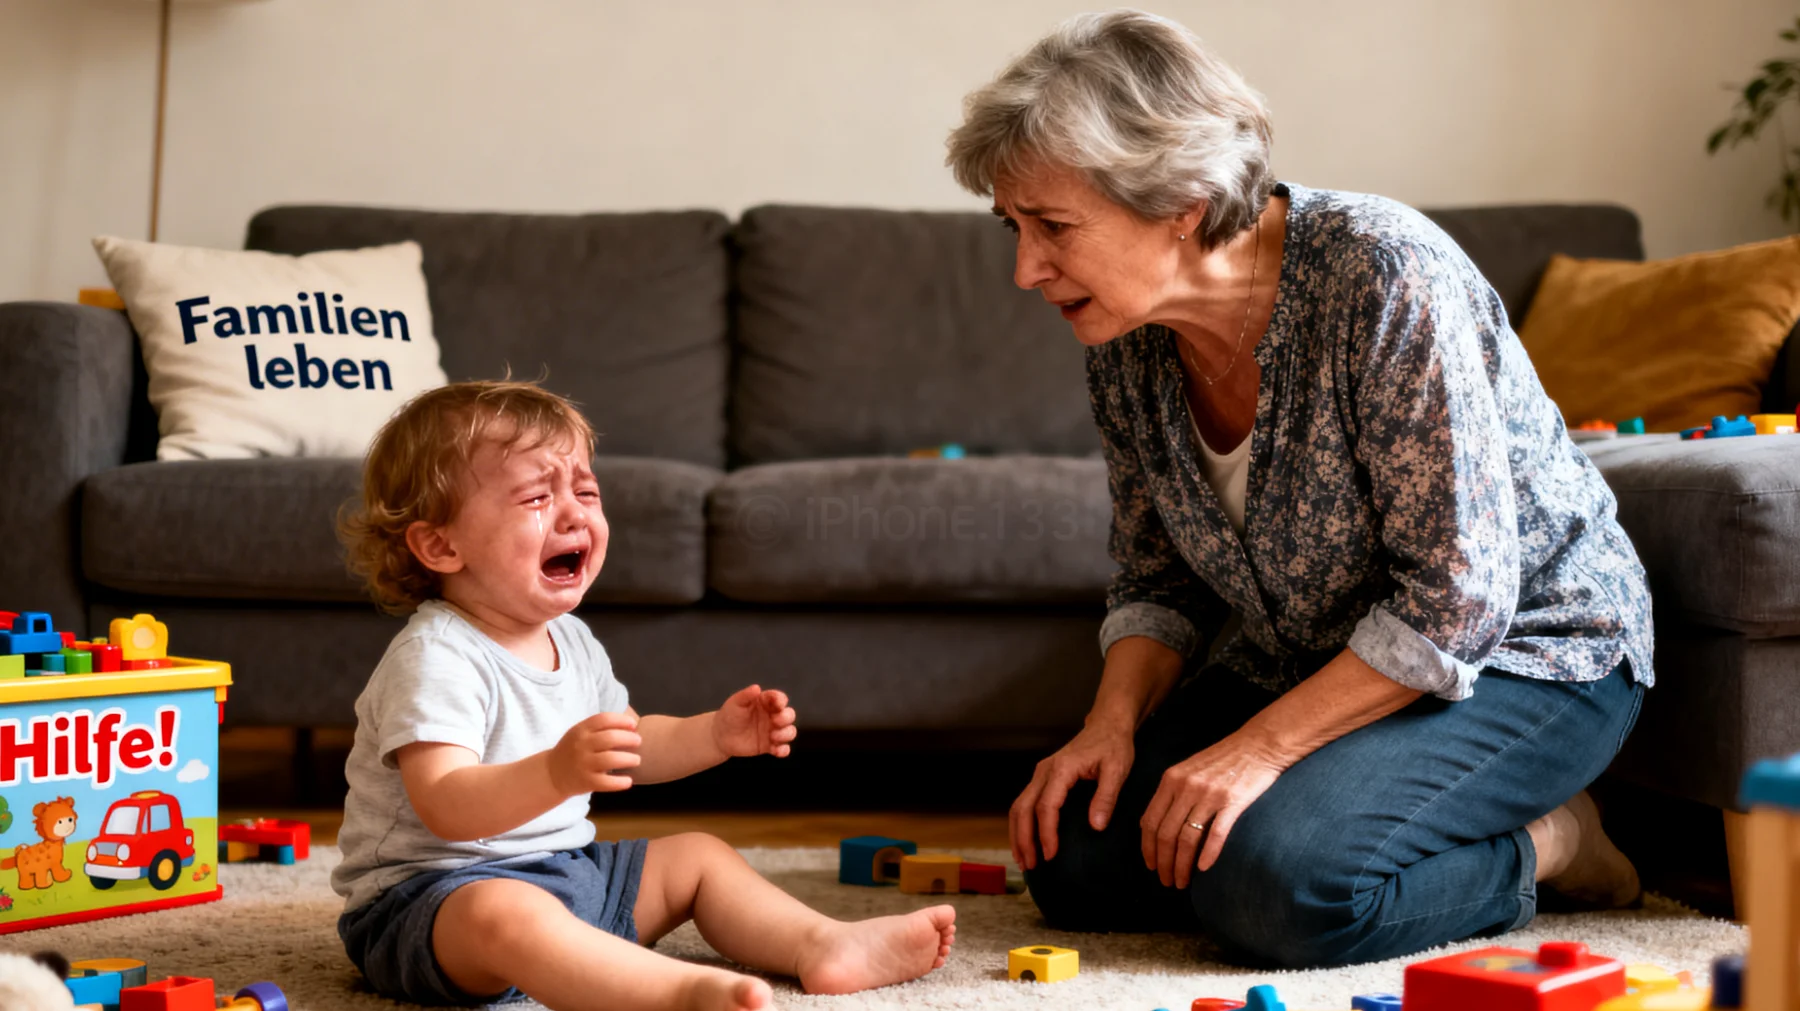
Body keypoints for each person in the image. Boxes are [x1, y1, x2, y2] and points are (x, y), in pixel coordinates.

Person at [945, 10, 1654, 968]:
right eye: (1013, 227)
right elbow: (1159, 577)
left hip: (1525, 658)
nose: (1026, 268)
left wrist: (1259, 751)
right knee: (1075, 857)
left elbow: (1458, 601)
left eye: (1053, 227)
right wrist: (1105, 728)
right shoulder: (1125, 339)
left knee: (1283, 888)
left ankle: (1556, 840)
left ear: (1181, 200)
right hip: (1315, 661)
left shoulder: (1382, 272)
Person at [331, 380, 955, 1010]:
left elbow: (631, 743)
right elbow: (446, 803)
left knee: (698, 858)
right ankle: (673, 994)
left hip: (565, 874)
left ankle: (821, 945)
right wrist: (554, 772)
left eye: (586, 491)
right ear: (441, 545)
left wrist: (712, 735)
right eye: (537, 498)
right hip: (430, 905)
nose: (575, 513)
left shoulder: (571, 639)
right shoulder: (436, 655)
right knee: (504, 913)